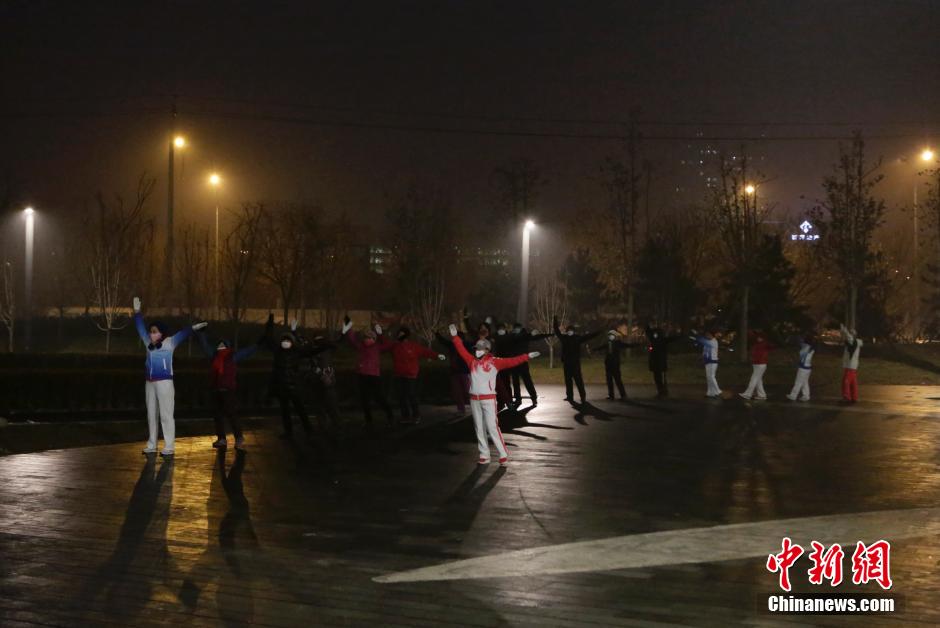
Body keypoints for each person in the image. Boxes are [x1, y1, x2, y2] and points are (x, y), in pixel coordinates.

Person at [448, 323, 540, 466]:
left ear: (487, 349)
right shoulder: (471, 361)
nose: (477, 351)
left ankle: (502, 454)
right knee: (479, 427)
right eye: (476, 349)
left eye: (480, 349)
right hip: (474, 399)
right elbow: (460, 350)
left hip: (489, 400)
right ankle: (484, 455)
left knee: (492, 427)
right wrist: (455, 337)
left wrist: (526, 356)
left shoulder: (495, 362)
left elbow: (511, 361)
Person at [133, 296, 207, 457]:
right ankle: (152, 444)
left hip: (165, 382)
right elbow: (140, 328)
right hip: (150, 382)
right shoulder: (148, 343)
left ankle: (169, 446)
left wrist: (194, 328)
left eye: (154, 331)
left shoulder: (170, 342)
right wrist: (137, 312)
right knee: (151, 414)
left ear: (161, 333)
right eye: (151, 331)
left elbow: (183, 333)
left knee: (166, 414)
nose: (151, 334)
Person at [261, 315, 326, 441]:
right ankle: (289, 432)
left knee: (300, 409)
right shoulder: (278, 351)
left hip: (293, 386)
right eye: (284, 341)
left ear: (291, 342)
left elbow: (311, 351)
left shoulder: (297, 351)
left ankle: (308, 429)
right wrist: (269, 325)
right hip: (282, 387)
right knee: (285, 411)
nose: (285, 343)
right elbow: (269, 339)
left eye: (288, 341)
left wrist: (324, 345)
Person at [196, 328, 263, 450]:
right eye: (220, 345)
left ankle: (239, 438)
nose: (221, 348)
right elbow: (205, 346)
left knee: (231, 414)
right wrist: (201, 334)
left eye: (223, 345)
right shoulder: (214, 356)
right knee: (217, 415)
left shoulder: (232, 357)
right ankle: (222, 438)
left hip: (228, 391)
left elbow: (247, 352)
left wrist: (258, 344)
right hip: (216, 390)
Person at [342, 316, 395, 427]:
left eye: (369, 338)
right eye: (366, 337)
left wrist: (380, 334)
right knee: (364, 399)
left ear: (373, 339)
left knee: (379, 397)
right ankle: (368, 420)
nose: (367, 339)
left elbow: (389, 345)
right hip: (362, 375)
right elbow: (352, 340)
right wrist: (349, 328)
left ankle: (390, 415)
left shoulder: (377, 347)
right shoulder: (361, 346)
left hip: (374, 376)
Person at [390, 325, 446, 424]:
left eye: (402, 334)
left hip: (410, 375)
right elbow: (384, 345)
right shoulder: (395, 346)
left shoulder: (413, 346)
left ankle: (416, 416)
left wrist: (437, 355)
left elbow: (425, 352)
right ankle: (405, 416)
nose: (400, 336)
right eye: (399, 334)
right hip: (399, 375)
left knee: (411, 396)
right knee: (402, 397)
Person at [553, 317, 600, 403]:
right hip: (567, 364)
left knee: (579, 381)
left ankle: (583, 397)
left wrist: (598, 332)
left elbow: (589, 336)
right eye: (568, 330)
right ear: (567, 331)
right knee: (568, 381)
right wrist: (555, 320)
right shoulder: (564, 338)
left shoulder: (578, 338)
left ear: (573, 331)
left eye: (571, 330)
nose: (570, 331)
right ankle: (569, 397)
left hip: (575, 364)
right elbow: (556, 331)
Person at [506, 323, 552, 406]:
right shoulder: (513, 336)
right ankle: (518, 399)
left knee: (527, 381)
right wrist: (530, 334)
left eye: (518, 328)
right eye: (515, 328)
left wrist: (550, 334)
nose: (516, 330)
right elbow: (517, 338)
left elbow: (536, 337)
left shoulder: (525, 335)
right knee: (515, 382)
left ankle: (533, 397)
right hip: (514, 362)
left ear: (521, 328)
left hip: (523, 362)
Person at [435, 329, 473, 416]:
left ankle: (473, 405)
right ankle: (461, 409)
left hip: (464, 371)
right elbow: (443, 341)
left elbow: (474, 344)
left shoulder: (466, 344)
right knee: (458, 391)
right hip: (455, 371)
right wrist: (437, 333)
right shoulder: (452, 345)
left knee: (467, 390)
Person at [595, 329, 638, 401]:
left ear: (615, 336)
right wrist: (594, 349)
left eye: (612, 335)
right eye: (609, 335)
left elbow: (627, 345)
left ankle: (623, 395)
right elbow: (600, 347)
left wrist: (636, 345)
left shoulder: (618, 343)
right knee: (609, 381)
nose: (610, 337)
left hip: (615, 364)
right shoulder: (607, 343)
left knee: (618, 380)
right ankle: (611, 395)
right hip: (608, 365)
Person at [739, 331, 773, 401]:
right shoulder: (757, 344)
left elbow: (771, 347)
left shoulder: (764, 344)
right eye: (758, 337)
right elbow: (754, 353)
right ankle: (762, 395)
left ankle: (748, 394)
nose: (758, 338)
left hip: (761, 364)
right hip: (756, 364)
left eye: (760, 337)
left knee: (753, 379)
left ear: (763, 338)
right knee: (758, 381)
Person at [645, 324, 676, 397]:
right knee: (659, 377)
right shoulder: (662, 340)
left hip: (657, 362)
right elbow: (673, 338)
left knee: (658, 378)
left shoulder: (655, 339)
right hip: (659, 362)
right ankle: (662, 391)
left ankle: (661, 391)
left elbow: (648, 331)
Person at [690, 329, 722, 398]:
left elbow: (702, 341)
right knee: (708, 377)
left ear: (712, 335)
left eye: (708, 334)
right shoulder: (707, 343)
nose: (707, 336)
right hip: (707, 361)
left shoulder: (714, 342)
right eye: (706, 335)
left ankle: (718, 391)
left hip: (713, 362)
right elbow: (704, 352)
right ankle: (710, 393)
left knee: (712, 376)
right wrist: (701, 358)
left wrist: (697, 335)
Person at [786, 333, 816, 402]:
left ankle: (793, 395)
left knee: (798, 382)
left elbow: (801, 345)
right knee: (805, 382)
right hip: (808, 368)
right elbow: (801, 342)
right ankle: (806, 396)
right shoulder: (811, 347)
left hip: (803, 367)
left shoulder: (806, 347)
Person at [840, 324, 862, 402]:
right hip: (851, 366)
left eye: (852, 333)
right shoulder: (852, 343)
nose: (850, 335)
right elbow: (848, 339)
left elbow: (849, 338)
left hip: (850, 366)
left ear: (854, 335)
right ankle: (854, 397)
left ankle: (847, 397)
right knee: (853, 382)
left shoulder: (854, 342)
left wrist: (845, 330)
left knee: (846, 381)